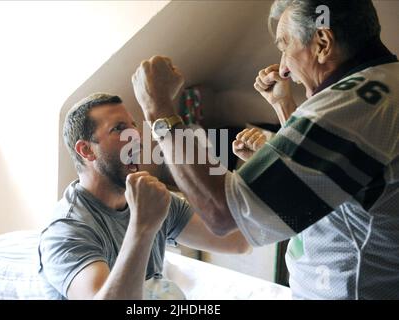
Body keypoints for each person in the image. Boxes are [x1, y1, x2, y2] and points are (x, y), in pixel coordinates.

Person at [131, 0, 399, 299]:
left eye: (285, 47)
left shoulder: (349, 106)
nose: (284, 67)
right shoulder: (384, 82)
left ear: (323, 43)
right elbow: (323, 176)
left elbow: (224, 214)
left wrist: (160, 112)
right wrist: (285, 108)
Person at [38, 93, 250, 300]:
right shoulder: (67, 230)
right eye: (119, 128)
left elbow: (239, 242)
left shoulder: (152, 198)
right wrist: (143, 224)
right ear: (86, 150)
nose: (137, 137)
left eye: (133, 126)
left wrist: (252, 170)